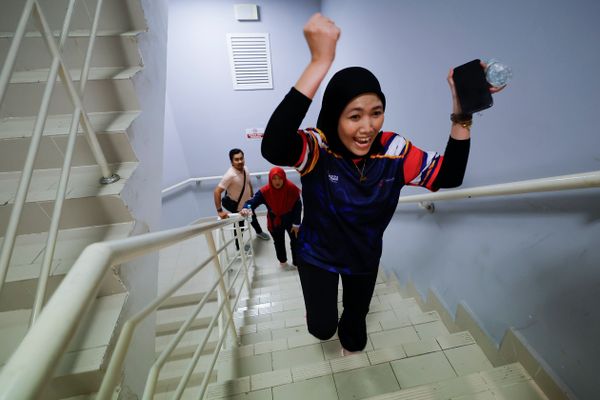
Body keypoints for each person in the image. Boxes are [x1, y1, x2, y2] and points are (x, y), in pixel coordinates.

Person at [260, 13, 504, 355]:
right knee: (322, 328)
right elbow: (273, 146)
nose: (368, 127)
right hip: (317, 255)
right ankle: (320, 314)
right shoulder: (318, 148)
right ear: (334, 116)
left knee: (355, 330)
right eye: (354, 115)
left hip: (364, 258)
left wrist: (462, 114)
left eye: (376, 112)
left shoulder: (395, 150)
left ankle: (350, 334)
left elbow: (449, 175)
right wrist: (319, 63)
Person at [240, 167, 302, 268]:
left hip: (291, 218)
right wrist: (246, 208)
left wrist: (296, 224)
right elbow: (251, 202)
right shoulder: (265, 191)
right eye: (274, 178)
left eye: (280, 178)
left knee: (296, 240)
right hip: (275, 220)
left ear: (284, 178)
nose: (277, 181)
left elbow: (298, 205)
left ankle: (296, 262)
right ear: (270, 179)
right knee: (278, 241)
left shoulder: (291, 188)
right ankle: (283, 261)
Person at [214, 148, 270, 248]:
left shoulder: (245, 169)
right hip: (238, 207)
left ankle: (259, 232)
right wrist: (220, 211)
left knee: (253, 218)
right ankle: (239, 246)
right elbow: (217, 192)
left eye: (241, 158)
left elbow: (248, 183)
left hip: (248, 204)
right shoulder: (230, 175)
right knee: (239, 226)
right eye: (236, 159)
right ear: (232, 162)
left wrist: (252, 197)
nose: (240, 161)